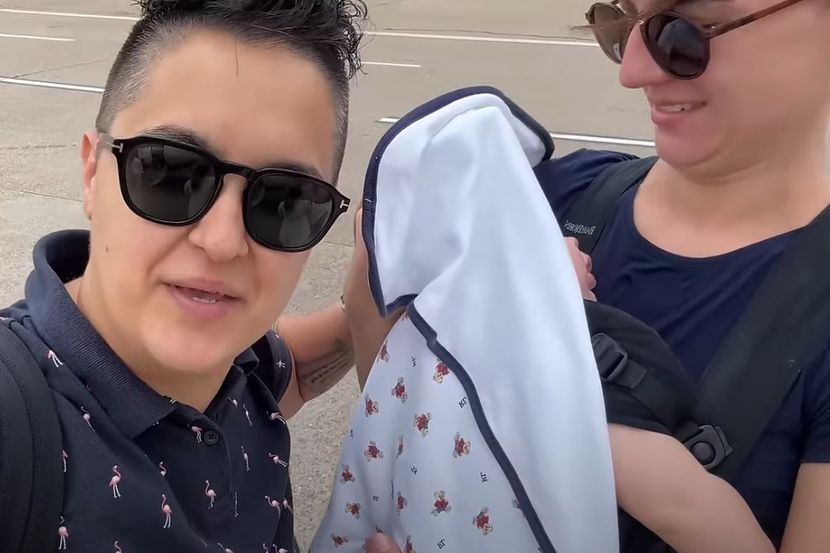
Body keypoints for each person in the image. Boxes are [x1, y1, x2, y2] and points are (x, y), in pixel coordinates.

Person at [360, 0, 830, 550]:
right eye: (620, 23)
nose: (633, 71)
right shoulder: (546, 200)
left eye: (685, 31)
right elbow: (399, 414)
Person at [0, 0, 366, 551]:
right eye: (170, 172)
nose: (222, 241)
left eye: (286, 201)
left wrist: (364, 302)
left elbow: (291, 370)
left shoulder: (244, 372)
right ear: (92, 173)